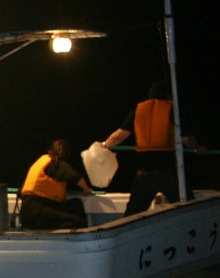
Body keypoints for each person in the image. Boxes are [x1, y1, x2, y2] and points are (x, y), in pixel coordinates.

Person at [102, 80, 209, 215]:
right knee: (189, 208)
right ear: (169, 95)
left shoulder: (138, 110)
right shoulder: (172, 109)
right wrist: (198, 148)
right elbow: (187, 139)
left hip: (144, 174)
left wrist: (104, 145)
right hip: (168, 173)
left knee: (133, 213)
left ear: (150, 95)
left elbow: (118, 136)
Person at [19, 139, 93, 230]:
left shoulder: (40, 162)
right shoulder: (55, 163)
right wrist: (86, 189)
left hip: (26, 213)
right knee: (76, 221)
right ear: (67, 155)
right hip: (39, 213)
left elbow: (21, 192)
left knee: (75, 204)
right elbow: (76, 177)